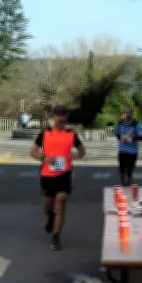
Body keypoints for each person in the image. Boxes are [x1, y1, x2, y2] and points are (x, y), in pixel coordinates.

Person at [30, 106, 86, 251]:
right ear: (53, 117)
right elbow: (33, 151)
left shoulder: (71, 134)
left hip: (64, 173)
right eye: (57, 115)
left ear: (66, 117)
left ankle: (55, 237)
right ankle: (50, 217)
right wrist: (44, 158)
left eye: (63, 115)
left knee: (61, 199)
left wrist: (77, 155)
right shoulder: (44, 134)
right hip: (47, 174)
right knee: (47, 205)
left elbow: (81, 150)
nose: (60, 118)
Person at [115, 106, 142, 186]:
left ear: (132, 113)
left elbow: (141, 137)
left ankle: (128, 188)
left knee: (129, 172)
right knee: (122, 172)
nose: (127, 114)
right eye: (126, 112)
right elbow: (117, 134)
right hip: (122, 150)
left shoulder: (136, 124)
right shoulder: (119, 123)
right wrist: (120, 138)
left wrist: (134, 137)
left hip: (132, 152)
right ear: (124, 113)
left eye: (129, 113)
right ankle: (124, 185)